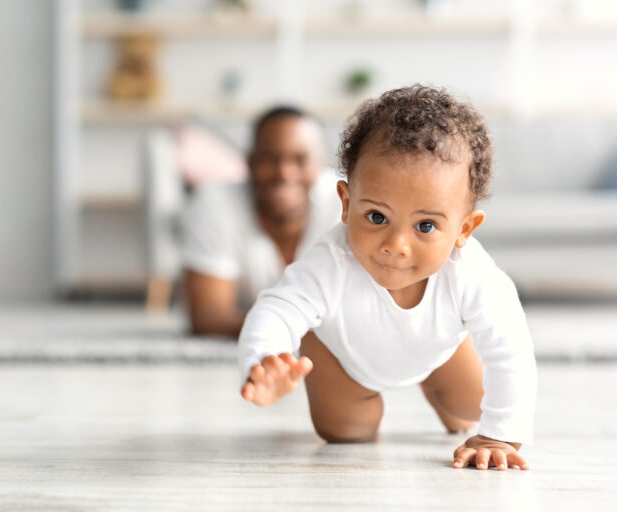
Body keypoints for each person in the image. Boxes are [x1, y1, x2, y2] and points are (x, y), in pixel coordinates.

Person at [238, 85, 537, 471]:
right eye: (377, 217)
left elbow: (510, 349)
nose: (396, 245)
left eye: (425, 225)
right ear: (346, 204)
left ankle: (437, 388)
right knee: (346, 432)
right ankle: (355, 396)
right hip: (344, 357)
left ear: (465, 228)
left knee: (470, 406)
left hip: (437, 352)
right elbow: (277, 309)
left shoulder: (471, 274)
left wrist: (500, 434)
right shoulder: (331, 262)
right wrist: (264, 359)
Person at [181, 106, 341, 336]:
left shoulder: (347, 202)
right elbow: (209, 317)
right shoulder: (213, 202)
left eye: (300, 159)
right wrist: (304, 328)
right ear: (249, 162)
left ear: (322, 164)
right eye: (269, 158)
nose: (284, 173)